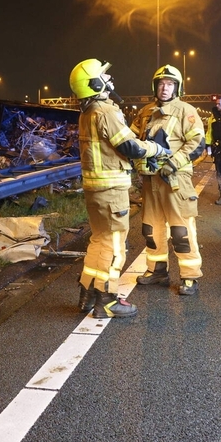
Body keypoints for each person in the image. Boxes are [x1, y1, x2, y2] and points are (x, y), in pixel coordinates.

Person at [69, 58, 170, 318]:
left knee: (99, 240)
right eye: (105, 76)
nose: (110, 80)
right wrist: (156, 149)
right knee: (115, 246)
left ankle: (88, 294)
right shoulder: (104, 110)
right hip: (111, 190)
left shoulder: (87, 112)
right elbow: (129, 146)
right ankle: (108, 299)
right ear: (94, 83)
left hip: (95, 191)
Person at [131, 65, 206, 296]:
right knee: (151, 229)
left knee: (181, 231)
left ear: (177, 87)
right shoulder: (145, 112)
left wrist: (173, 163)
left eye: (170, 84)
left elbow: (197, 143)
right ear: (155, 86)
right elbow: (132, 139)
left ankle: (190, 276)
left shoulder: (186, 110)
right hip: (150, 180)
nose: (165, 88)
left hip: (175, 179)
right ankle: (157, 270)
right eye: (161, 83)